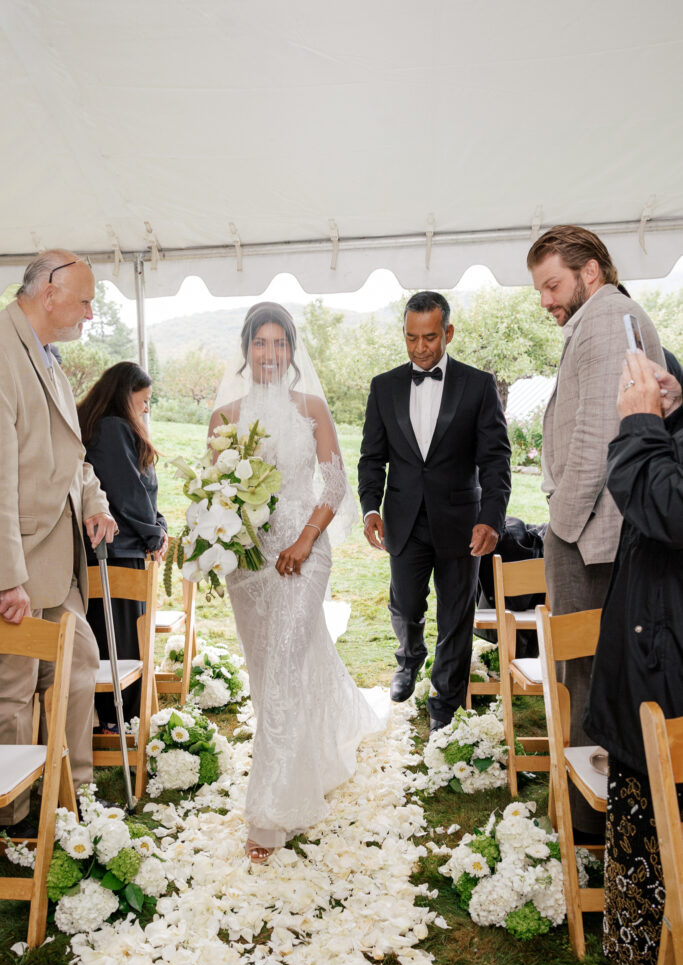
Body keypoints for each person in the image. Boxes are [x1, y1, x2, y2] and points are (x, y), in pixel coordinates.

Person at [209, 301, 389, 863]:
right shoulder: (225, 417)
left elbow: (334, 486)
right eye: (259, 343)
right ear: (246, 350)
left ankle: (270, 815)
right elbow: (214, 494)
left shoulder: (311, 407)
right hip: (248, 561)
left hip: (303, 552)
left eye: (278, 343)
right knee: (269, 677)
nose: (269, 353)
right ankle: (306, 759)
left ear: (291, 351)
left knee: (285, 661)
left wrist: (306, 539)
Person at [527, 225, 665, 835]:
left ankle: (591, 823)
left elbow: (595, 442)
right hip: (596, 532)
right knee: (585, 677)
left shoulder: (609, 318)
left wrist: (559, 522)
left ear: (590, 273)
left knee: (587, 680)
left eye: (552, 284)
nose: (545, 300)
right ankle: (590, 814)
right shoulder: (602, 317)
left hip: (594, 538)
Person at [358, 291, 511, 733]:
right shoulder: (383, 386)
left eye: (429, 338)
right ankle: (409, 658)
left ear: (448, 333)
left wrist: (492, 519)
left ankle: (445, 701)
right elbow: (372, 457)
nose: (420, 348)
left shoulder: (478, 384)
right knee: (405, 606)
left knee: (456, 616)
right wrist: (371, 507)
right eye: (411, 338)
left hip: (463, 523)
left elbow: (496, 460)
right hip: (403, 520)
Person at [0, 250, 117, 831]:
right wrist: (7, 578)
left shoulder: (49, 356)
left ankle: (72, 802)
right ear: (49, 293)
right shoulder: (1, 351)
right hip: (18, 568)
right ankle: (20, 825)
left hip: (59, 557)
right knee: (14, 695)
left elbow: (70, 453)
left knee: (78, 666)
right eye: (86, 300)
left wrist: (94, 501)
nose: (91, 313)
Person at [583, 348, 683, 965]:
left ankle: (654, 961)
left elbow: (668, 509)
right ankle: (641, 948)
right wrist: (673, 413)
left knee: (659, 790)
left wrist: (643, 424)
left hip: (667, 644)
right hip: (656, 625)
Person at [78, 362, 168, 730]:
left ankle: (127, 720)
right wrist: (152, 534)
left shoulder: (115, 427)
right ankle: (120, 722)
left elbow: (144, 492)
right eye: (143, 399)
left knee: (127, 636)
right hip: (115, 551)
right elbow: (126, 492)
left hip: (127, 547)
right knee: (120, 641)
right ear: (123, 394)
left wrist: (159, 525)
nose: (146, 407)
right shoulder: (112, 428)